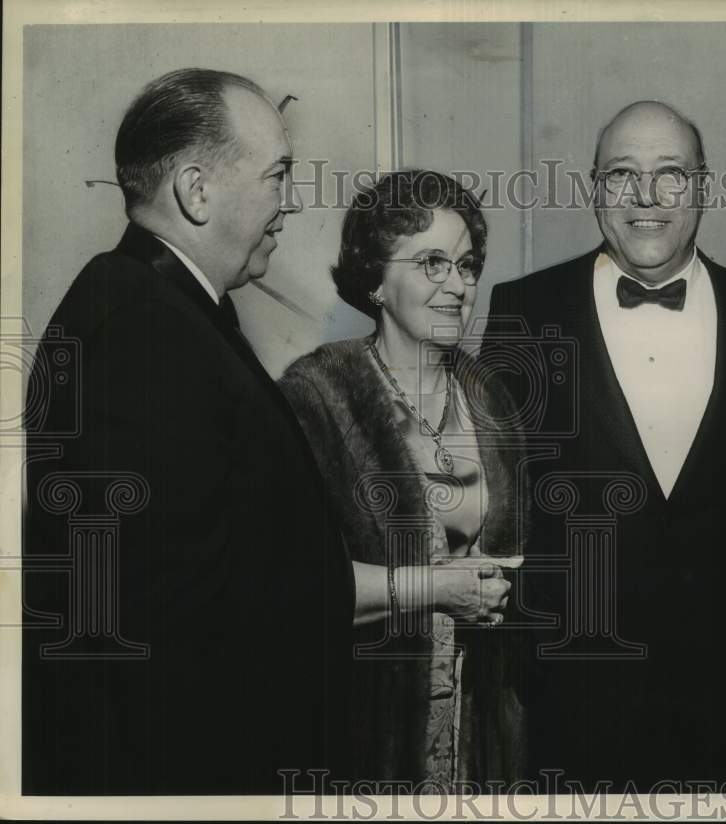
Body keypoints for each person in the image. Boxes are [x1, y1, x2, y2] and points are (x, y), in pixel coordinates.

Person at [22, 68, 355, 794]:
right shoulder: (140, 335)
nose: (288, 203)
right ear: (197, 192)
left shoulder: (159, 309)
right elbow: (155, 646)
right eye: (276, 176)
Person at [481, 100, 726, 791]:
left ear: (705, 188)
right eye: (623, 175)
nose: (647, 197)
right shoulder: (522, 312)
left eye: (671, 175)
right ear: (596, 191)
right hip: (569, 689)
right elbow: (501, 501)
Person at [278, 170, 526, 790]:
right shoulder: (317, 397)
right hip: (365, 736)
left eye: (466, 265)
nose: (457, 286)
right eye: (431, 263)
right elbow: (292, 586)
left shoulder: (491, 398)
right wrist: (436, 590)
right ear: (376, 282)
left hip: (484, 741)